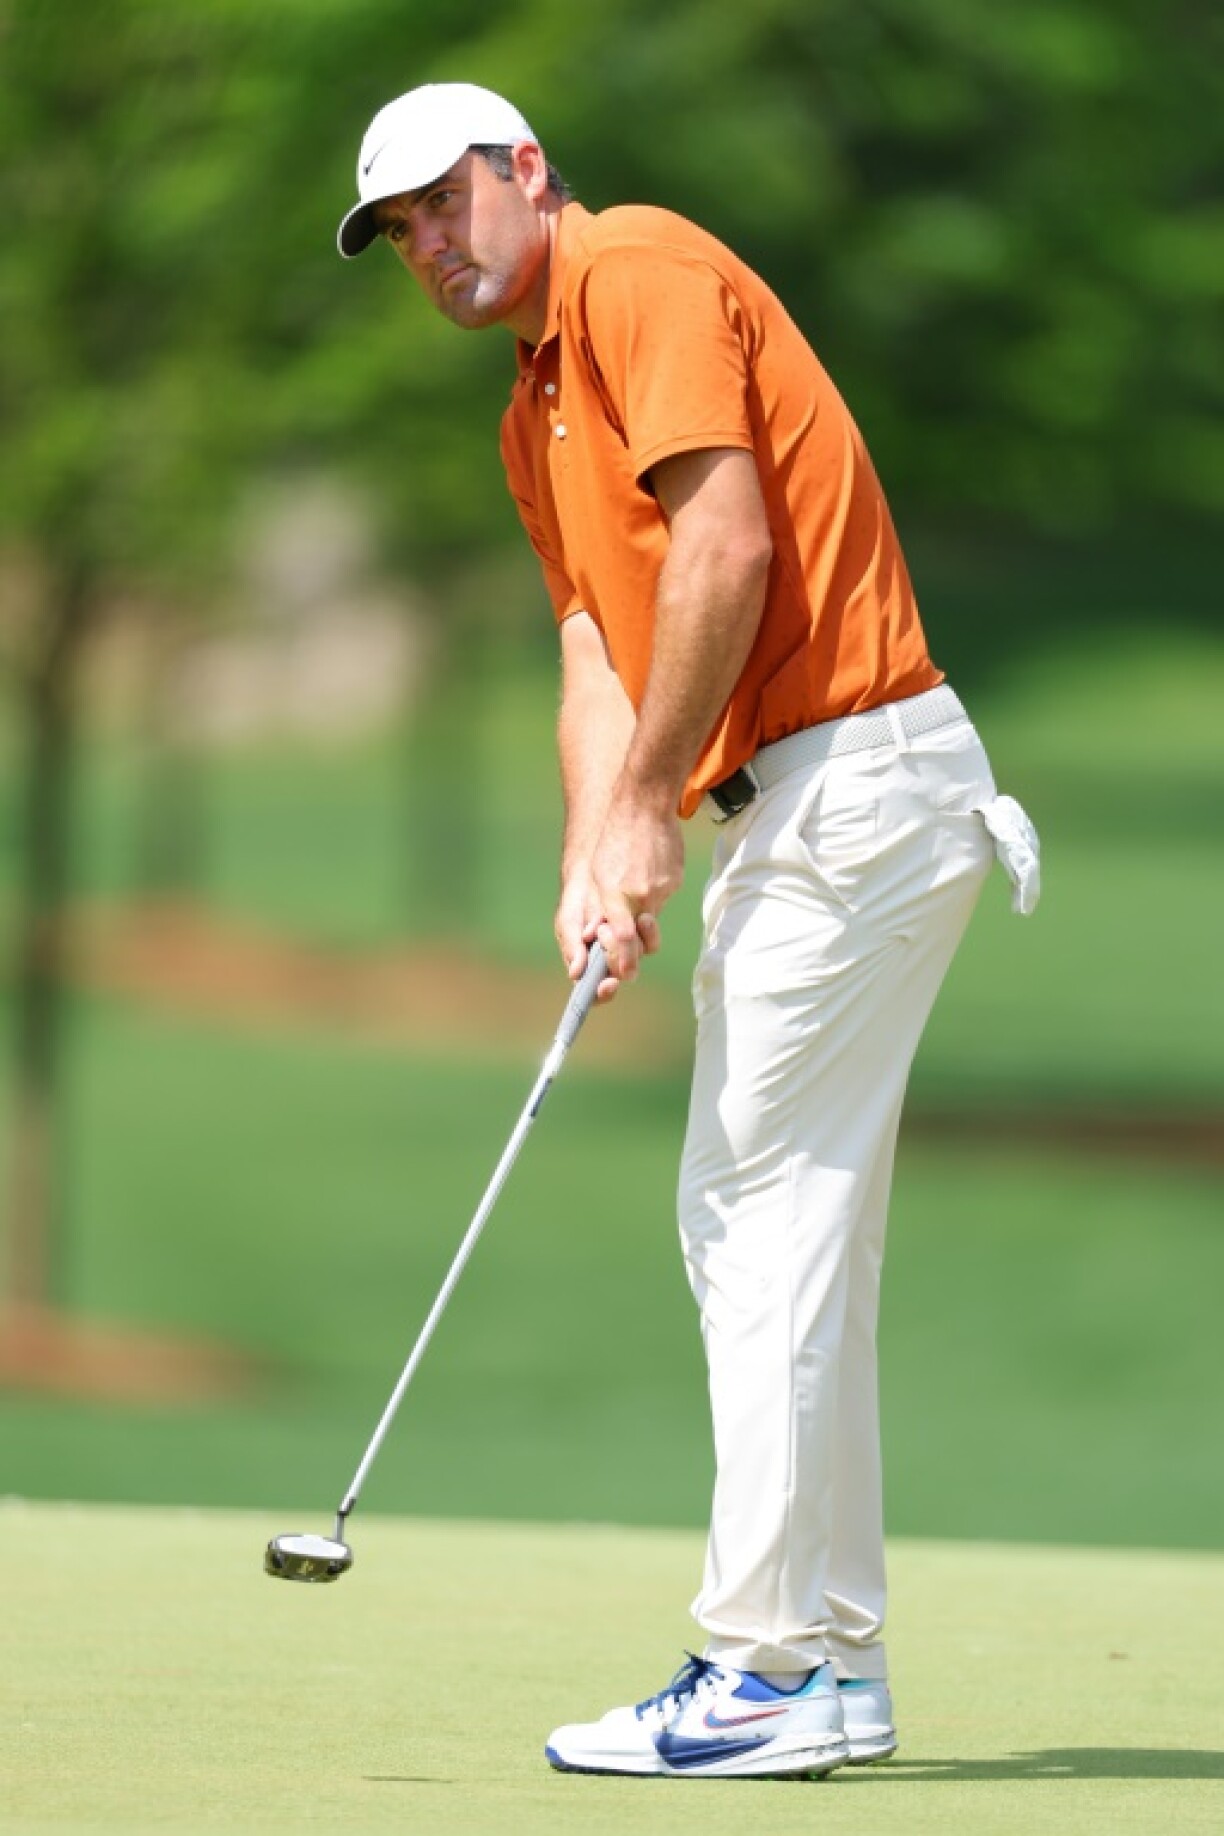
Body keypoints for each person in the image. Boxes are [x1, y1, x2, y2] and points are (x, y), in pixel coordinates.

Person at [338, 81, 1040, 1782]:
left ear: (525, 170)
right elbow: (600, 644)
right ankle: (837, 1668)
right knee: (802, 1229)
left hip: (856, 782)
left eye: (447, 202)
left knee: (754, 1214)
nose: (433, 244)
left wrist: (655, 802)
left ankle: (765, 1667)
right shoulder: (532, 411)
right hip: (811, 805)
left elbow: (724, 538)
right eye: (403, 232)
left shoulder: (634, 268)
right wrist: (598, 846)